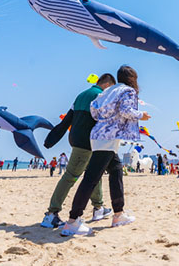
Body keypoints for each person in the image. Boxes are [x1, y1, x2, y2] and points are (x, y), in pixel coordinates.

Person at [61, 66, 150, 236]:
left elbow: (94, 109)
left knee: (116, 170)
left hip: (98, 135)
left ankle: (118, 214)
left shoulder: (110, 90)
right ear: (132, 78)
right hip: (108, 138)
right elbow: (125, 110)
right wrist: (141, 115)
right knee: (91, 179)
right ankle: (73, 221)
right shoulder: (128, 91)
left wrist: (106, 119)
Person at [41, 73, 117, 228]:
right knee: (70, 176)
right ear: (108, 85)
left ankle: (98, 208)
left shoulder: (81, 95)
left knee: (94, 174)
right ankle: (51, 214)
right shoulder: (100, 96)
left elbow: (66, 120)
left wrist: (51, 139)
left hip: (78, 139)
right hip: (86, 142)